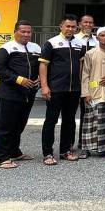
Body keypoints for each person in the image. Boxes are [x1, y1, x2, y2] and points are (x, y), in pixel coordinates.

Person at [39, 14, 86, 165]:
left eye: (73, 27)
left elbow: (81, 67)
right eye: (68, 26)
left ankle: (66, 150)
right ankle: (47, 153)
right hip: (55, 89)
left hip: (73, 90)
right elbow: (43, 65)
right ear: (61, 26)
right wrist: (45, 86)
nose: (70, 29)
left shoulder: (80, 44)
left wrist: (81, 87)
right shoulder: (51, 43)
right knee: (51, 121)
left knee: (70, 120)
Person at [0, 20, 40, 169]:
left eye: (28, 32)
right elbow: (0, 69)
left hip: (28, 94)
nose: (26, 34)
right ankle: (1, 158)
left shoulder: (36, 47)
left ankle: (14, 152)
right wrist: (19, 80)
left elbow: (41, 66)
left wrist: (39, 78)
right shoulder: (6, 48)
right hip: (9, 94)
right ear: (15, 31)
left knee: (19, 125)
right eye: (23, 31)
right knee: (5, 126)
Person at [79, 27, 105, 159]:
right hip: (93, 92)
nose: (104, 38)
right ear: (97, 38)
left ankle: (104, 148)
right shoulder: (90, 53)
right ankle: (86, 148)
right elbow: (85, 74)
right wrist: (86, 93)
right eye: (102, 35)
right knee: (90, 122)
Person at [75, 14, 97, 150]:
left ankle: (85, 140)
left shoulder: (97, 41)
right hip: (74, 81)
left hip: (91, 82)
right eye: (85, 22)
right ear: (79, 24)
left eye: (91, 23)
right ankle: (70, 142)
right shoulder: (74, 40)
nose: (88, 25)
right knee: (71, 114)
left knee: (88, 112)